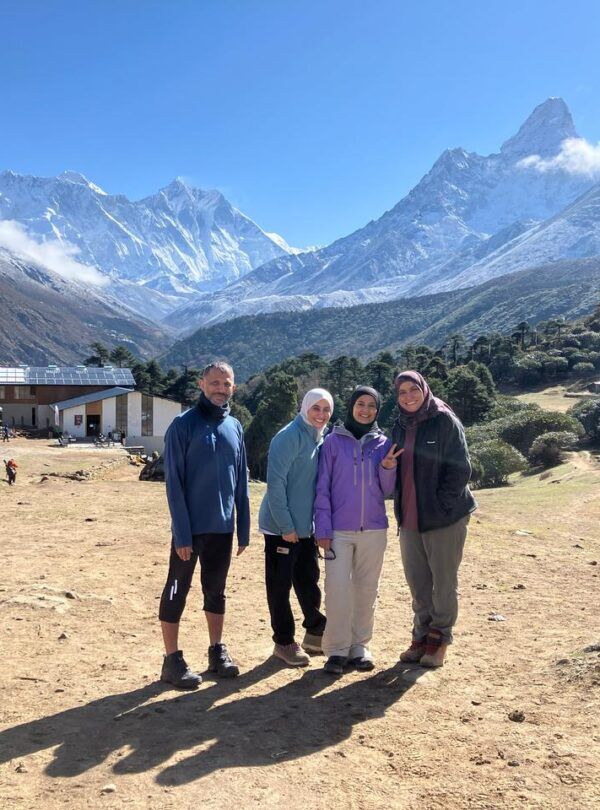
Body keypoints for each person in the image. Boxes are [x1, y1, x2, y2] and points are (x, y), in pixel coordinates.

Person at [158, 361, 250, 689]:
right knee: (176, 589)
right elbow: (174, 484)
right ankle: (171, 660)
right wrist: (181, 531)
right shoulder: (183, 425)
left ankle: (216, 651)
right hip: (190, 530)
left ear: (233, 388)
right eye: (214, 383)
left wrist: (244, 527)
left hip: (222, 528)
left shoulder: (235, 427)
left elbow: (241, 479)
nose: (220, 389)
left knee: (217, 591)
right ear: (202, 384)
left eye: (226, 384)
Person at [315, 386, 402, 675]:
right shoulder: (332, 442)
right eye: (360, 404)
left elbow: (387, 491)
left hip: (374, 531)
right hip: (338, 531)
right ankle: (337, 650)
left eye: (372, 406)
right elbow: (322, 489)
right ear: (350, 405)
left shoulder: (383, 443)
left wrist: (389, 467)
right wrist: (323, 529)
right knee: (337, 590)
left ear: (378, 410)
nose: (365, 410)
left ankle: (360, 647)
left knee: (366, 590)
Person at [392, 371, 477, 668]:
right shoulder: (400, 423)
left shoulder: (443, 420)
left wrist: (442, 507)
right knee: (418, 582)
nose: (408, 396)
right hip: (410, 516)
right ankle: (420, 636)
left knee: (443, 583)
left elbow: (460, 470)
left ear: (424, 389)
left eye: (413, 389)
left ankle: (439, 640)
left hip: (444, 518)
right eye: (401, 392)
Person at [258, 388, 334, 667]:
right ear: (305, 408)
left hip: (305, 527)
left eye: (326, 409)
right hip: (281, 527)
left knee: (307, 579)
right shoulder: (288, 437)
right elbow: (275, 485)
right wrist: (286, 526)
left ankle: (314, 632)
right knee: (280, 586)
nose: (321, 414)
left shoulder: (319, 437)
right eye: (316, 408)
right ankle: (283, 642)